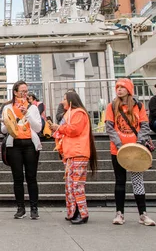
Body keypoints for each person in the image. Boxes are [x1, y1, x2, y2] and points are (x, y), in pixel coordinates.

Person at [105, 78, 156, 226]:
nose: (119, 89)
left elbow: (144, 125)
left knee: (138, 181)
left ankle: (143, 214)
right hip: (118, 150)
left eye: (122, 87)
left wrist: (139, 143)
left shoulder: (138, 106)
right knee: (120, 181)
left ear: (129, 89)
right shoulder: (111, 106)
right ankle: (119, 213)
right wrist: (120, 145)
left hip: (136, 150)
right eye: (117, 87)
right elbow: (110, 127)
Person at [51, 91, 97, 224]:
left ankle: (82, 213)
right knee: (71, 185)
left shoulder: (79, 113)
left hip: (78, 152)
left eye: (64, 99)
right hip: (72, 153)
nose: (62, 101)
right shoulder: (72, 113)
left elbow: (74, 130)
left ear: (71, 101)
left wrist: (58, 127)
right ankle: (74, 211)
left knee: (76, 184)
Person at [0, 80, 43, 220]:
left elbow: (38, 128)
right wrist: (8, 122)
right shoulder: (8, 108)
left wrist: (27, 114)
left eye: (26, 91)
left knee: (31, 177)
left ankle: (34, 208)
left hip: (30, 144)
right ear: (15, 92)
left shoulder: (33, 108)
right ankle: (20, 208)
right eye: (22, 91)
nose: (24, 94)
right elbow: (3, 130)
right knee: (17, 178)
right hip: (15, 145)